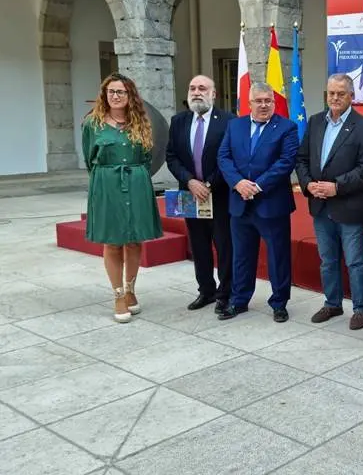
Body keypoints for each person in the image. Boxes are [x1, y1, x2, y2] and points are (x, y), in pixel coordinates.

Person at [295, 74, 363, 330]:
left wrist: (337, 187)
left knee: (355, 261)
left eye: (341, 94)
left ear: (351, 96)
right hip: (320, 205)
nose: (334, 98)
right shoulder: (315, 122)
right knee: (327, 260)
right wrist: (308, 184)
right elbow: (302, 159)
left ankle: (361, 309)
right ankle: (332, 303)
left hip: (350, 206)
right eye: (331, 93)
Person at [82, 73, 162, 322]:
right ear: (105, 95)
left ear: (130, 96)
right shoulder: (92, 124)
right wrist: (104, 182)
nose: (116, 96)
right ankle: (117, 295)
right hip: (107, 184)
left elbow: (148, 158)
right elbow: (88, 159)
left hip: (136, 182)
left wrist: (137, 178)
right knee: (113, 241)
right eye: (111, 92)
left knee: (134, 240)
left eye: (121, 92)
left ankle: (131, 290)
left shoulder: (141, 122)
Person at [216, 82, 299, 322]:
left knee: (278, 255)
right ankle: (239, 300)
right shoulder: (235, 125)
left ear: (274, 102)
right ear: (249, 103)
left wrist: (257, 186)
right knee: (241, 255)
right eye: (259, 101)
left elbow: (286, 162)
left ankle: (279, 303)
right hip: (240, 203)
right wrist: (238, 183)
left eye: (268, 101)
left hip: (271, 203)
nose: (264, 105)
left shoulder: (287, 127)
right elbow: (224, 157)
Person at [166, 75, 235, 315]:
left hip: (220, 194)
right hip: (189, 195)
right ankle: (206, 290)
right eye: (192, 87)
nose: (197, 92)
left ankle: (226, 294)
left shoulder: (228, 121)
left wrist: (207, 184)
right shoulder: (178, 121)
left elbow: (230, 157)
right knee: (199, 245)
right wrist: (190, 181)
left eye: (202, 88)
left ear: (213, 94)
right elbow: (171, 156)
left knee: (224, 245)